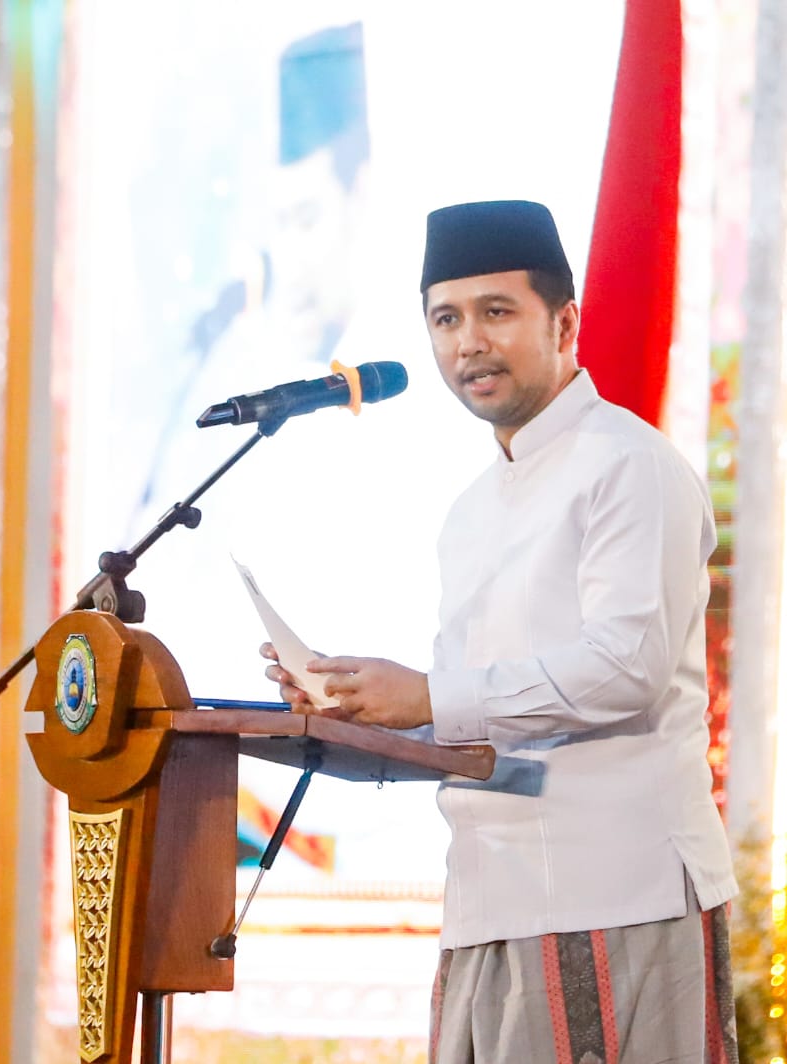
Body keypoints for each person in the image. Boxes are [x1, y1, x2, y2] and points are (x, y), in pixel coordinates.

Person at [261, 199, 740, 1061]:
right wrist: (354, 708)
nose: (468, 343)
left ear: (564, 322)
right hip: (489, 903)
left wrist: (430, 696)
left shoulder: (631, 467)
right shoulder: (470, 512)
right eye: (446, 318)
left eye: (496, 312)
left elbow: (623, 668)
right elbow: (470, 717)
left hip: (616, 893)